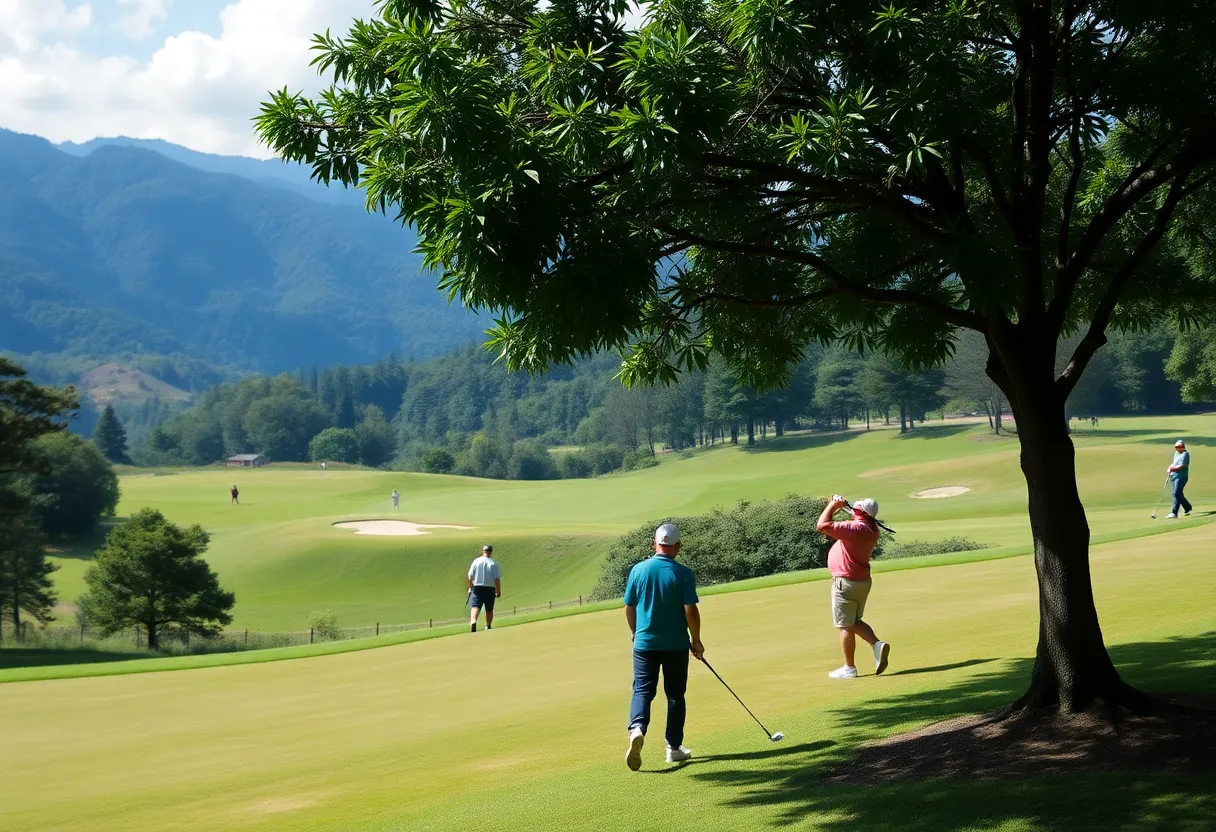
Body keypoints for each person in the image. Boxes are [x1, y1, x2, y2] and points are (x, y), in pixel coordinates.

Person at [623, 523, 703, 771]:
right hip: (675, 645)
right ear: (677, 546)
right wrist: (696, 640)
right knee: (675, 695)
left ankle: (637, 728)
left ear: (654, 544)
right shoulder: (683, 573)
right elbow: (690, 610)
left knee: (643, 691)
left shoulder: (638, 570)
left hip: (645, 644)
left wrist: (635, 632)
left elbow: (629, 606)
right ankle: (674, 748)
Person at [817, 495, 890, 679]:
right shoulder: (871, 528)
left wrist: (833, 505)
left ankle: (849, 668)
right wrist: (844, 506)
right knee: (855, 621)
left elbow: (822, 525)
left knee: (845, 626)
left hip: (845, 582)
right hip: (862, 582)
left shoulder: (855, 528)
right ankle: (876, 645)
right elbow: (855, 516)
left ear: (859, 512)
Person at [466, 545, 501, 632]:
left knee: (475, 605)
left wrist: (470, 588)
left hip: (477, 586)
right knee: (489, 608)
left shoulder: (476, 561)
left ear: (483, 551)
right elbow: (496, 578)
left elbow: (470, 576)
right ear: (491, 552)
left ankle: (473, 621)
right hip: (490, 587)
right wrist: (498, 591)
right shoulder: (493, 563)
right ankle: (488, 625)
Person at [1167, 440, 1192, 519]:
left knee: (1176, 493)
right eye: (1177, 447)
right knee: (1178, 494)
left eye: (1180, 447)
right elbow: (1174, 464)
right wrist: (1169, 468)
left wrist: (1172, 469)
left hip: (1181, 476)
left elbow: (1182, 466)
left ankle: (1174, 513)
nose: (1178, 449)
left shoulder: (1185, 454)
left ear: (1183, 447)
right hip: (1174, 476)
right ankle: (1187, 507)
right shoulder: (1176, 454)